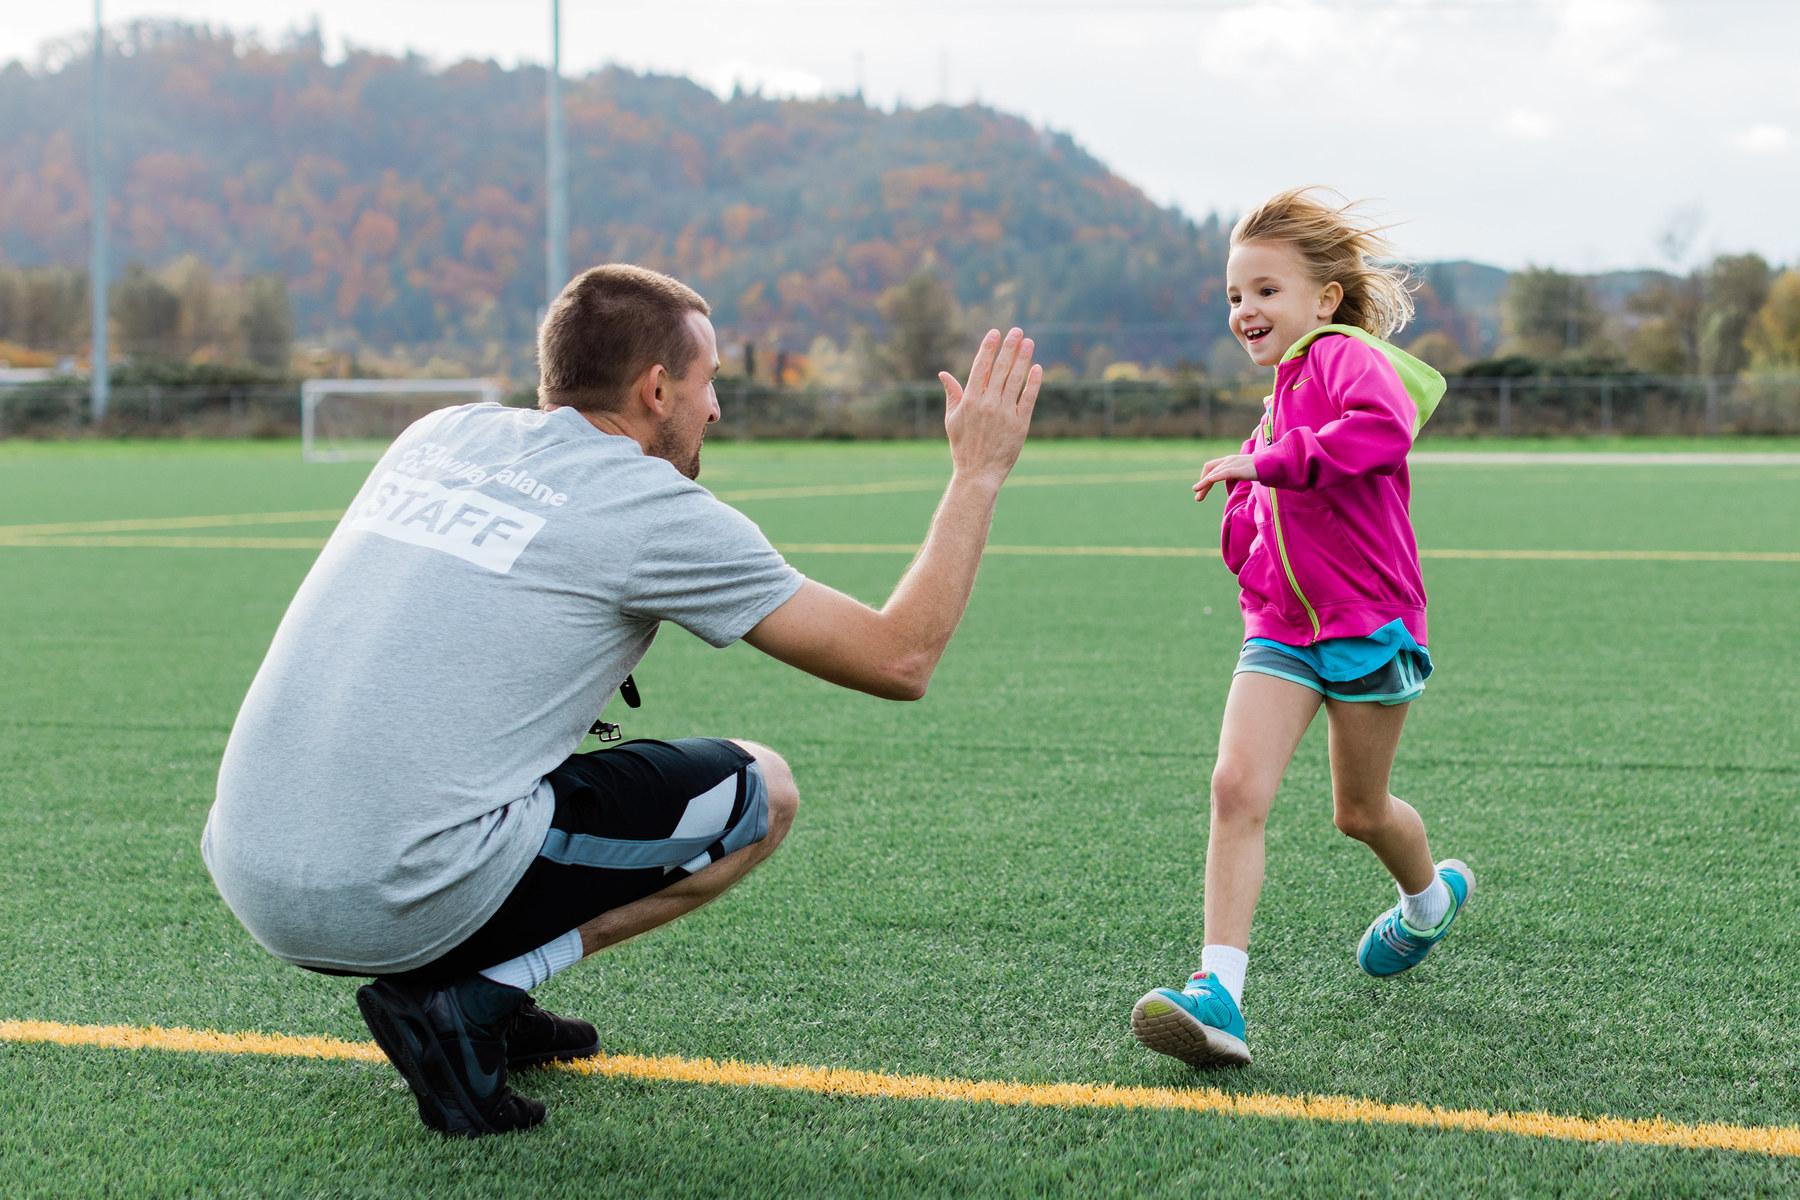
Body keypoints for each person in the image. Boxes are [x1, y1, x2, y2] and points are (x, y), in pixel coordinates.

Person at [203, 264, 1042, 1136]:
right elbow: (900, 657)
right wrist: (977, 473)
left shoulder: (437, 435)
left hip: (250, 869)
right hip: (389, 889)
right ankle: (477, 994)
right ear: (655, 388)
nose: (714, 408)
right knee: (761, 791)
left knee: (515, 738)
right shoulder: (652, 508)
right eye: (707, 381)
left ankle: (482, 977)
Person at [1130, 188, 1472, 1069]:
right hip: (1280, 633)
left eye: (1266, 291)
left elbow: (1379, 432)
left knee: (1360, 813)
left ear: (1323, 299)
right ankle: (1218, 994)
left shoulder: (1346, 357)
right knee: (1235, 787)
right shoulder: (1277, 397)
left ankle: (1429, 900)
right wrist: (1242, 522)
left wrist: (1268, 464)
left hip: (1370, 626)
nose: (1246, 311)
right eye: (1236, 297)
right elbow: (1270, 522)